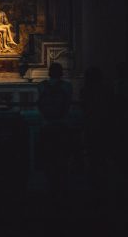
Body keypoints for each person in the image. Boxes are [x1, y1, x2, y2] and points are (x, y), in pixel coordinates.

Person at [37, 62, 73, 199]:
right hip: (62, 126)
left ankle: (50, 187)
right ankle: (62, 188)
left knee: (48, 158)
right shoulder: (67, 87)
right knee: (62, 158)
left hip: (47, 126)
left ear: (49, 72)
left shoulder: (41, 86)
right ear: (61, 73)